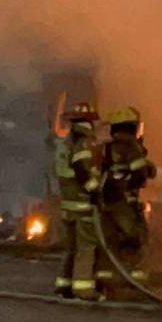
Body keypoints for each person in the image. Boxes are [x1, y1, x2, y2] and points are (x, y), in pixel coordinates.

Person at [97, 105, 157, 291]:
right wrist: (139, 178)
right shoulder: (131, 147)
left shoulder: (106, 148)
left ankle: (105, 280)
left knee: (109, 241)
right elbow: (139, 174)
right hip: (125, 203)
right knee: (137, 239)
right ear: (131, 127)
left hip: (105, 203)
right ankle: (137, 280)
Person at [54, 102, 106, 300]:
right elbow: (81, 169)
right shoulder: (83, 144)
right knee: (86, 247)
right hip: (81, 205)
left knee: (71, 248)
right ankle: (83, 289)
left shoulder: (66, 144)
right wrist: (94, 191)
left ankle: (64, 284)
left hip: (68, 205)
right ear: (86, 124)